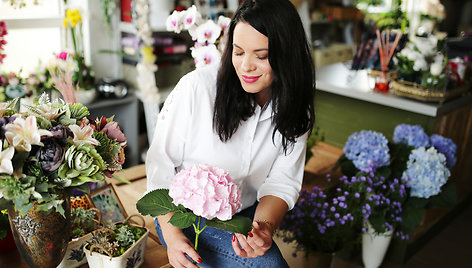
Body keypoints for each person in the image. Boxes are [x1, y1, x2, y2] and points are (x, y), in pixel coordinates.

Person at [146, 0, 315, 267]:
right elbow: (160, 167)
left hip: (244, 216)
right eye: (238, 52)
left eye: (261, 56)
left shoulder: (295, 109)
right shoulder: (197, 89)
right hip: (182, 216)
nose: (246, 66)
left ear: (288, 55)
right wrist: (173, 235)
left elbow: (282, 181)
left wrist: (263, 230)